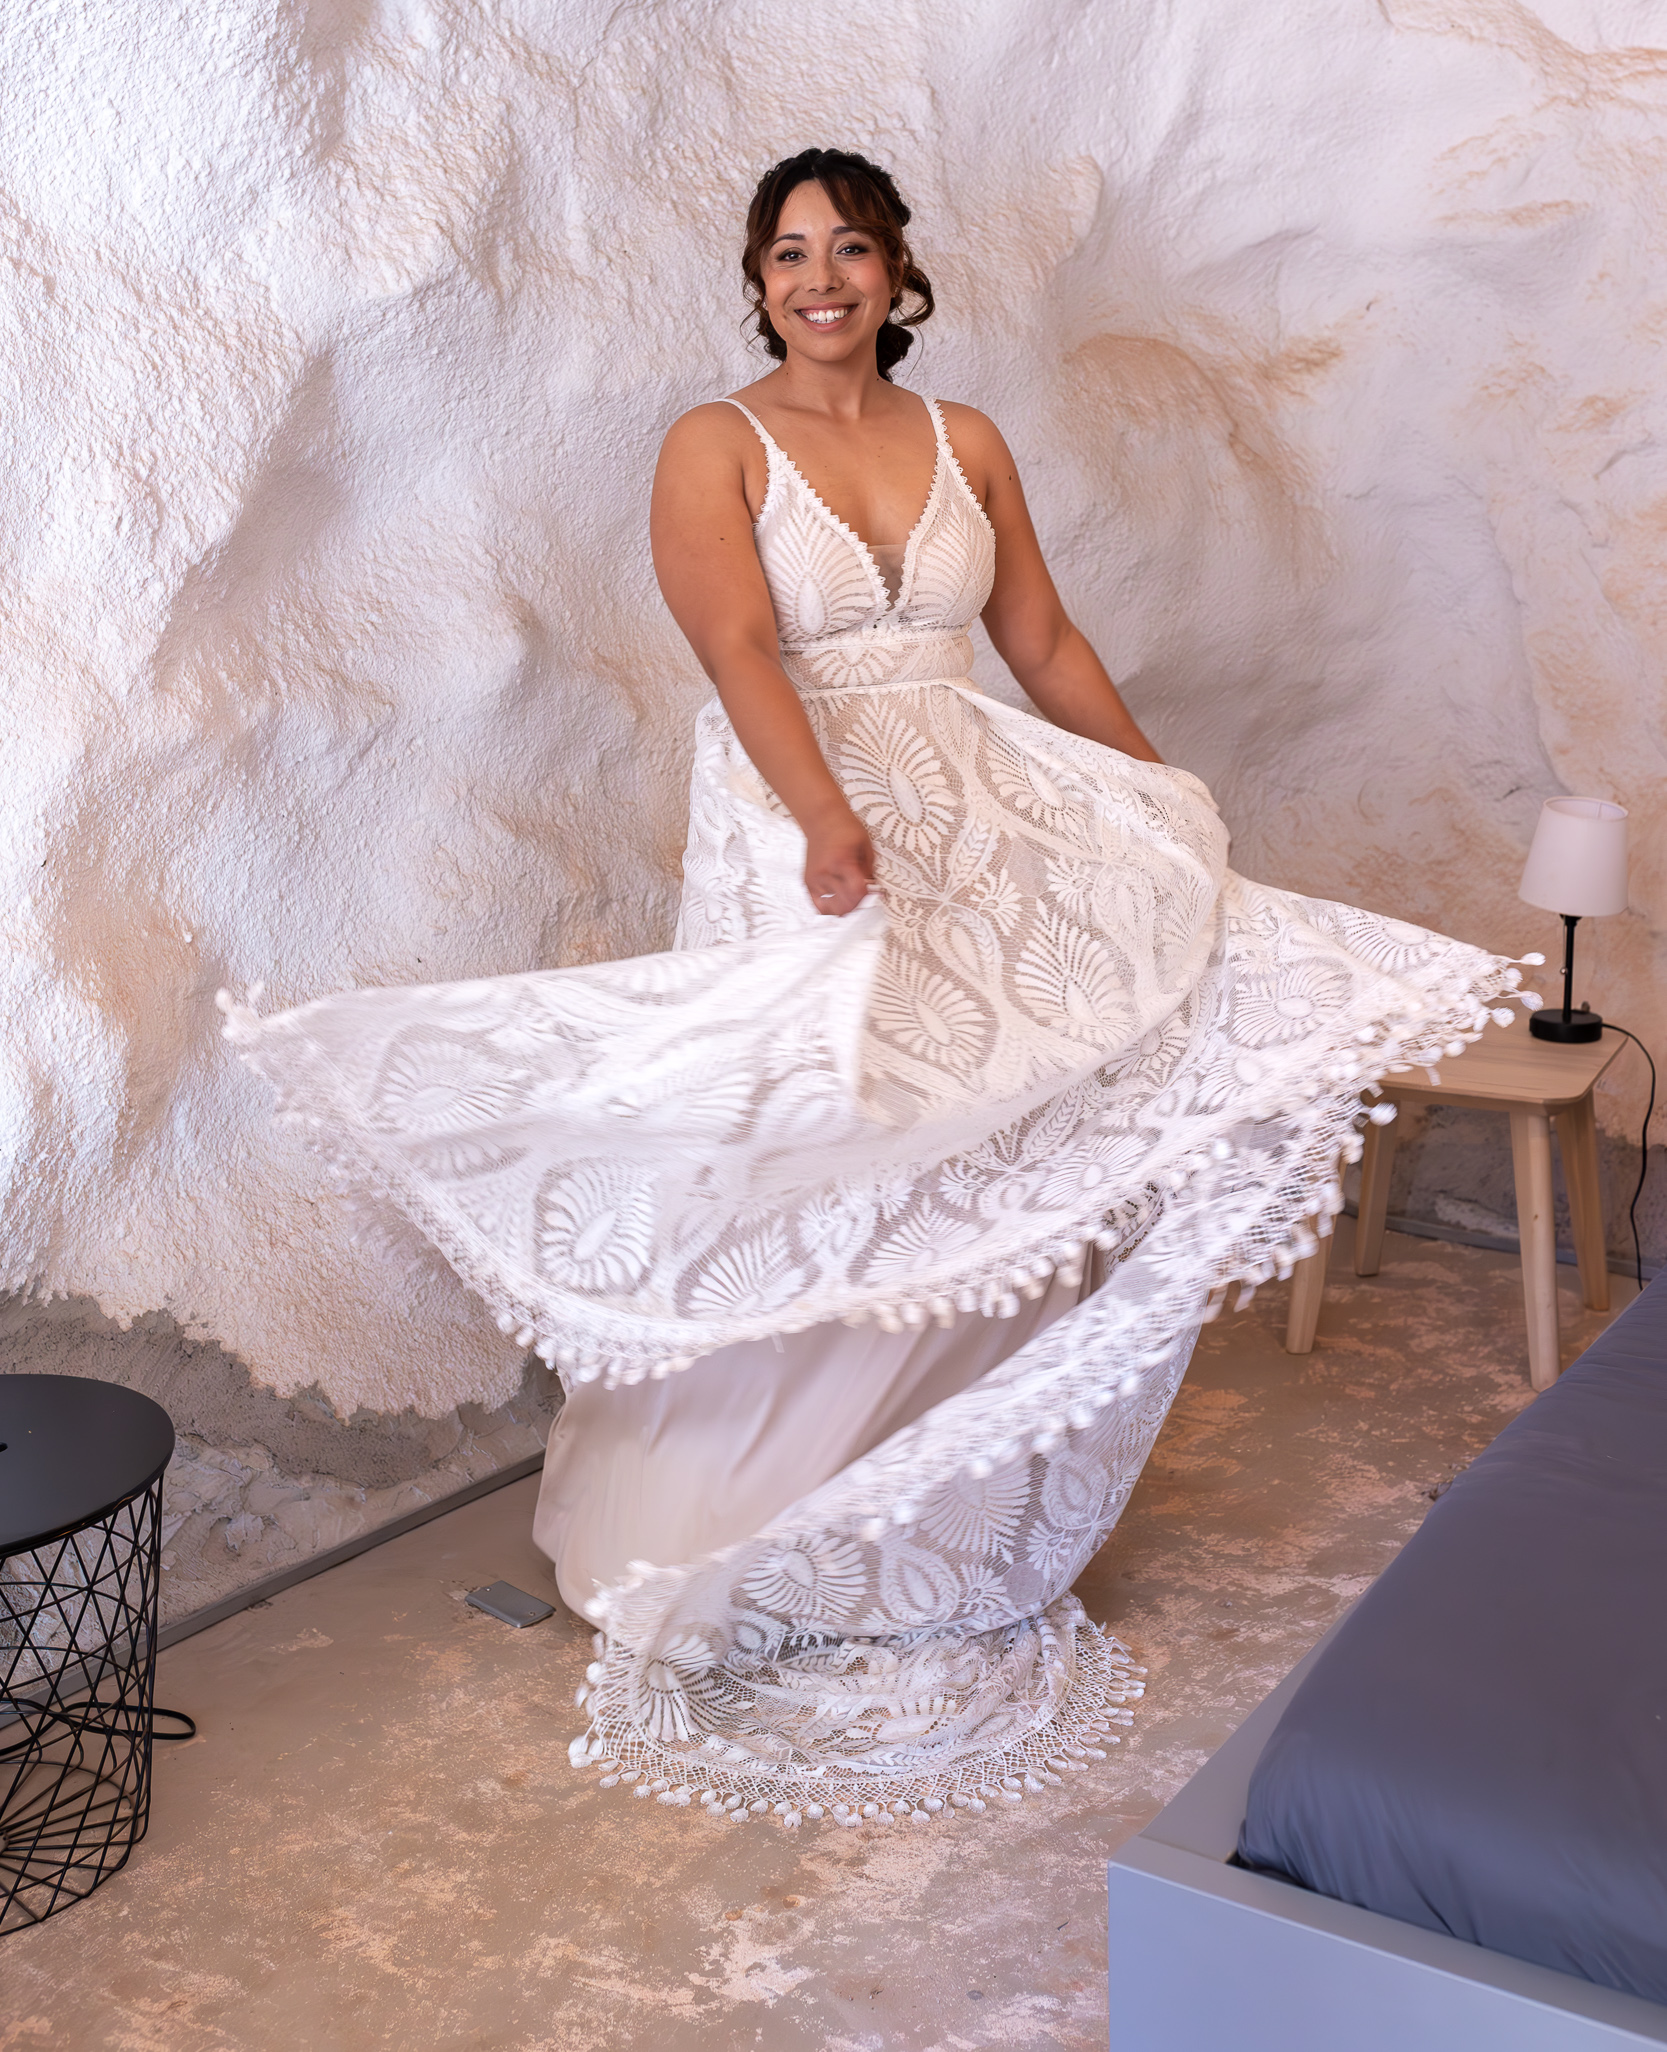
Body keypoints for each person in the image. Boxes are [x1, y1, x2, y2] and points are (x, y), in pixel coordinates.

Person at [226, 148, 1526, 1829]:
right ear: (757, 281)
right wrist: (830, 819)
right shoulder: (716, 444)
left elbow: (1040, 642)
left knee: (984, 1149)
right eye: (787, 254)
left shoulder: (964, 438)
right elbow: (739, 651)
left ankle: (922, 1521)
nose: (819, 276)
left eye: (849, 247)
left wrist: (1164, 801)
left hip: (978, 813)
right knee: (833, 1148)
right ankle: (718, 1531)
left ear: (899, 270)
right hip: (805, 819)